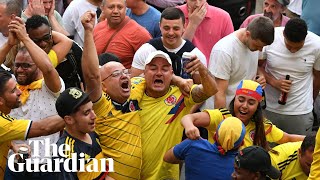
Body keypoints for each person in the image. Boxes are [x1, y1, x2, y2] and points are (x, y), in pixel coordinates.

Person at [81, 10, 146, 179]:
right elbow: (91, 76)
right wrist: (88, 31)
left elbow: (153, 75)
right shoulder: (101, 106)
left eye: (125, 72)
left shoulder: (136, 88)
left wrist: (178, 79)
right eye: (116, 75)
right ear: (103, 86)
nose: (124, 76)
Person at [135, 50, 217, 179]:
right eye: (153, 68)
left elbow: (211, 90)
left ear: (172, 73)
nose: (159, 73)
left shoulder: (181, 95)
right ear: (144, 73)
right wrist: (176, 79)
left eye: (165, 69)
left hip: (165, 176)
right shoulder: (131, 92)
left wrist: (201, 69)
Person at [0, 18, 64, 178]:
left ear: (38, 66)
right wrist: (9, 44)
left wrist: (26, 38)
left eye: (27, 66)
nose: (20, 70)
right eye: (17, 65)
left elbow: (48, 69)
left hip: (46, 166)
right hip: (14, 165)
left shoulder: (50, 85)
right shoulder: (11, 84)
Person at [182, 80, 305, 151]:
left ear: (258, 106)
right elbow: (188, 118)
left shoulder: (262, 126)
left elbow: (288, 138)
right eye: (241, 100)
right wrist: (189, 127)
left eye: (251, 102)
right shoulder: (222, 116)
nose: (244, 106)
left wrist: (316, 140)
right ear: (234, 99)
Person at [259, 18, 320, 135]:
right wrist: (273, 82)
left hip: (301, 112)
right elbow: (256, 67)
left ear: (305, 38)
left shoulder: (317, 45)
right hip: (268, 109)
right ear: (283, 35)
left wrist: (310, 102)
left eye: (298, 48)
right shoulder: (271, 37)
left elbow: (318, 78)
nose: (293, 50)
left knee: (299, 150)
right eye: (289, 46)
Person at [206, 16, 274, 110]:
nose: (260, 50)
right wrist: (223, 122)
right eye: (257, 46)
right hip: (223, 111)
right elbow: (219, 93)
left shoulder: (254, 42)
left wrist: (261, 75)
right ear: (247, 34)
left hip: (242, 112)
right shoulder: (224, 51)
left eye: (263, 47)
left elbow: (250, 64)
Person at [131, 7, 207, 83]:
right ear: (160, 26)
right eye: (166, 28)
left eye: (176, 28)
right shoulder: (146, 51)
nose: (171, 33)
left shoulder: (195, 56)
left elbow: (204, 91)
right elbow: (134, 84)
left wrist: (201, 69)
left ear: (184, 27)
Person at [55, 87, 113, 180]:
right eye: (86, 113)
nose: (94, 116)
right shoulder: (65, 152)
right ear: (69, 119)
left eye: (92, 109)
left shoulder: (91, 132)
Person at [164, 117, 246, 179]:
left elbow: (167, 157)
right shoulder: (243, 167)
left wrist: (189, 156)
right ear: (242, 143)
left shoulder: (193, 145)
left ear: (214, 136)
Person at [26, 15, 84, 89]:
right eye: (37, 41)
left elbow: (87, 76)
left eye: (46, 38)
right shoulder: (23, 56)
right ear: (29, 39)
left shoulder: (71, 49)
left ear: (51, 32)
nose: (43, 44)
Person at [93, 0, 151, 69]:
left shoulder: (140, 34)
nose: (115, 11)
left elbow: (149, 67)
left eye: (120, 7)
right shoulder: (97, 28)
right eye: (111, 7)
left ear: (126, 9)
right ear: (102, 8)